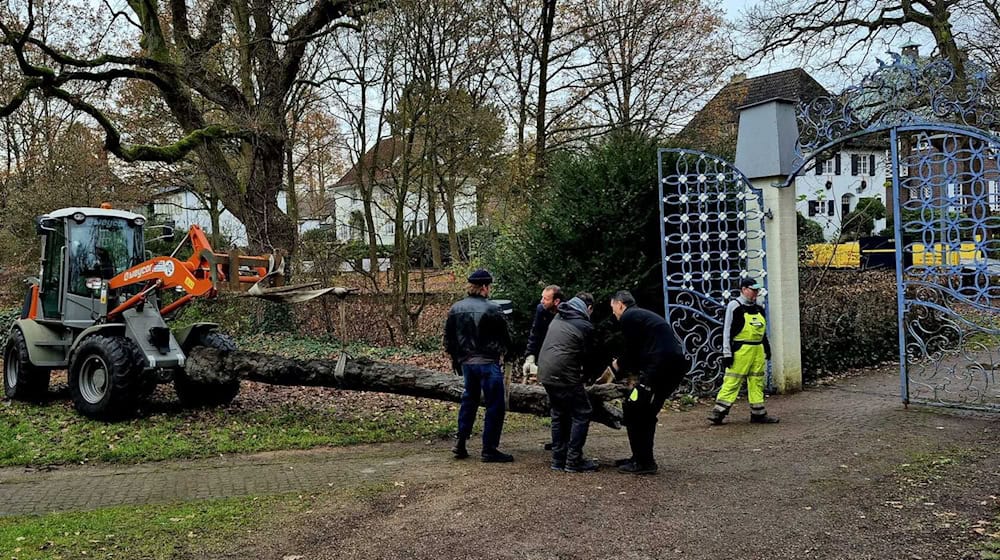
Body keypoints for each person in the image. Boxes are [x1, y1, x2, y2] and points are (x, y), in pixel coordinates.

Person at [609, 290, 685, 475]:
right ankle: (640, 457)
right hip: (670, 367)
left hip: (660, 368)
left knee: (636, 409)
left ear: (620, 304)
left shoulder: (630, 317)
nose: (613, 313)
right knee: (643, 411)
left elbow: (632, 350)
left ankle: (644, 462)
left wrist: (617, 365)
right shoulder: (642, 316)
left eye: (613, 308)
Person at [443, 268, 515, 462]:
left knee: (469, 400)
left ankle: (460, 442)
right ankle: (489, 448)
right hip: (488, 362)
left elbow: (449, 340)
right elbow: (506, 336)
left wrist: (456, 359)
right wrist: (508, 353)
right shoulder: (493, 308)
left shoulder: (456, 308)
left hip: (467, 362)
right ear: (484, 287)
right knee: (495, 405)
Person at [537, 292, 603, 473]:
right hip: (564, 374)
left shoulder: (559, 315)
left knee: (559, 412)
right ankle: (574, 460)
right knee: (582, 412)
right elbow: (589, 356)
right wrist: (588, 377)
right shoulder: (584, 325)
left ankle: (558, 459)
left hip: (545, 372)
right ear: (588, 308)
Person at [707, 277, 780, 425]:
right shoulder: (734, 306)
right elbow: (726, 331)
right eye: (753, 290)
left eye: (757, 290)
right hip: (741, 350)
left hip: (757, 349)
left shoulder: (759, 308)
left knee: (756, 381)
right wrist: (727, 353)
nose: (756, 293)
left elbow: (763, 332)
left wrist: (766, 347)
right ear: (744, 289)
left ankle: (758, 414)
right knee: (732, 380)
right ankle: (718, 413)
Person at [522, 285, 564, 382]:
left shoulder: (565, 314)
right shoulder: (541, 310)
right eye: (542, 297)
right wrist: (530, 356)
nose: (542, 301)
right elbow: (535, 333)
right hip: (543, 349)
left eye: (546, 299)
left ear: (556, 301)